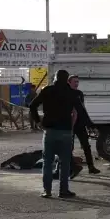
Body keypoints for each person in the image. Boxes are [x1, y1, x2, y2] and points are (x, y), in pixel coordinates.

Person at [29, 69, 83, 199]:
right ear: (67, 80)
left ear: (55, 78)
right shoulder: (73, 93)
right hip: (65, 131)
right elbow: (80, 111)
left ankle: (47, 191)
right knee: (65, 163)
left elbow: (32, 106)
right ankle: (63, 191)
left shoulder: (47, 90)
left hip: (50, 131)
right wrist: (73, 126)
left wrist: (38, 122)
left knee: (47, 162)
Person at [68, 75, 101, 175]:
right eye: (75, 82)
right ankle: (70, 168)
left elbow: (83, 109)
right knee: (69, 147)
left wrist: (89, 124)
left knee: (86, 146)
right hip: (69, 124)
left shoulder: (79, 93)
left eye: (78, 82)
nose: (77, 84)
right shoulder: (66, 93)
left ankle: (91, 167)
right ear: (69, 82)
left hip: (80, 124)